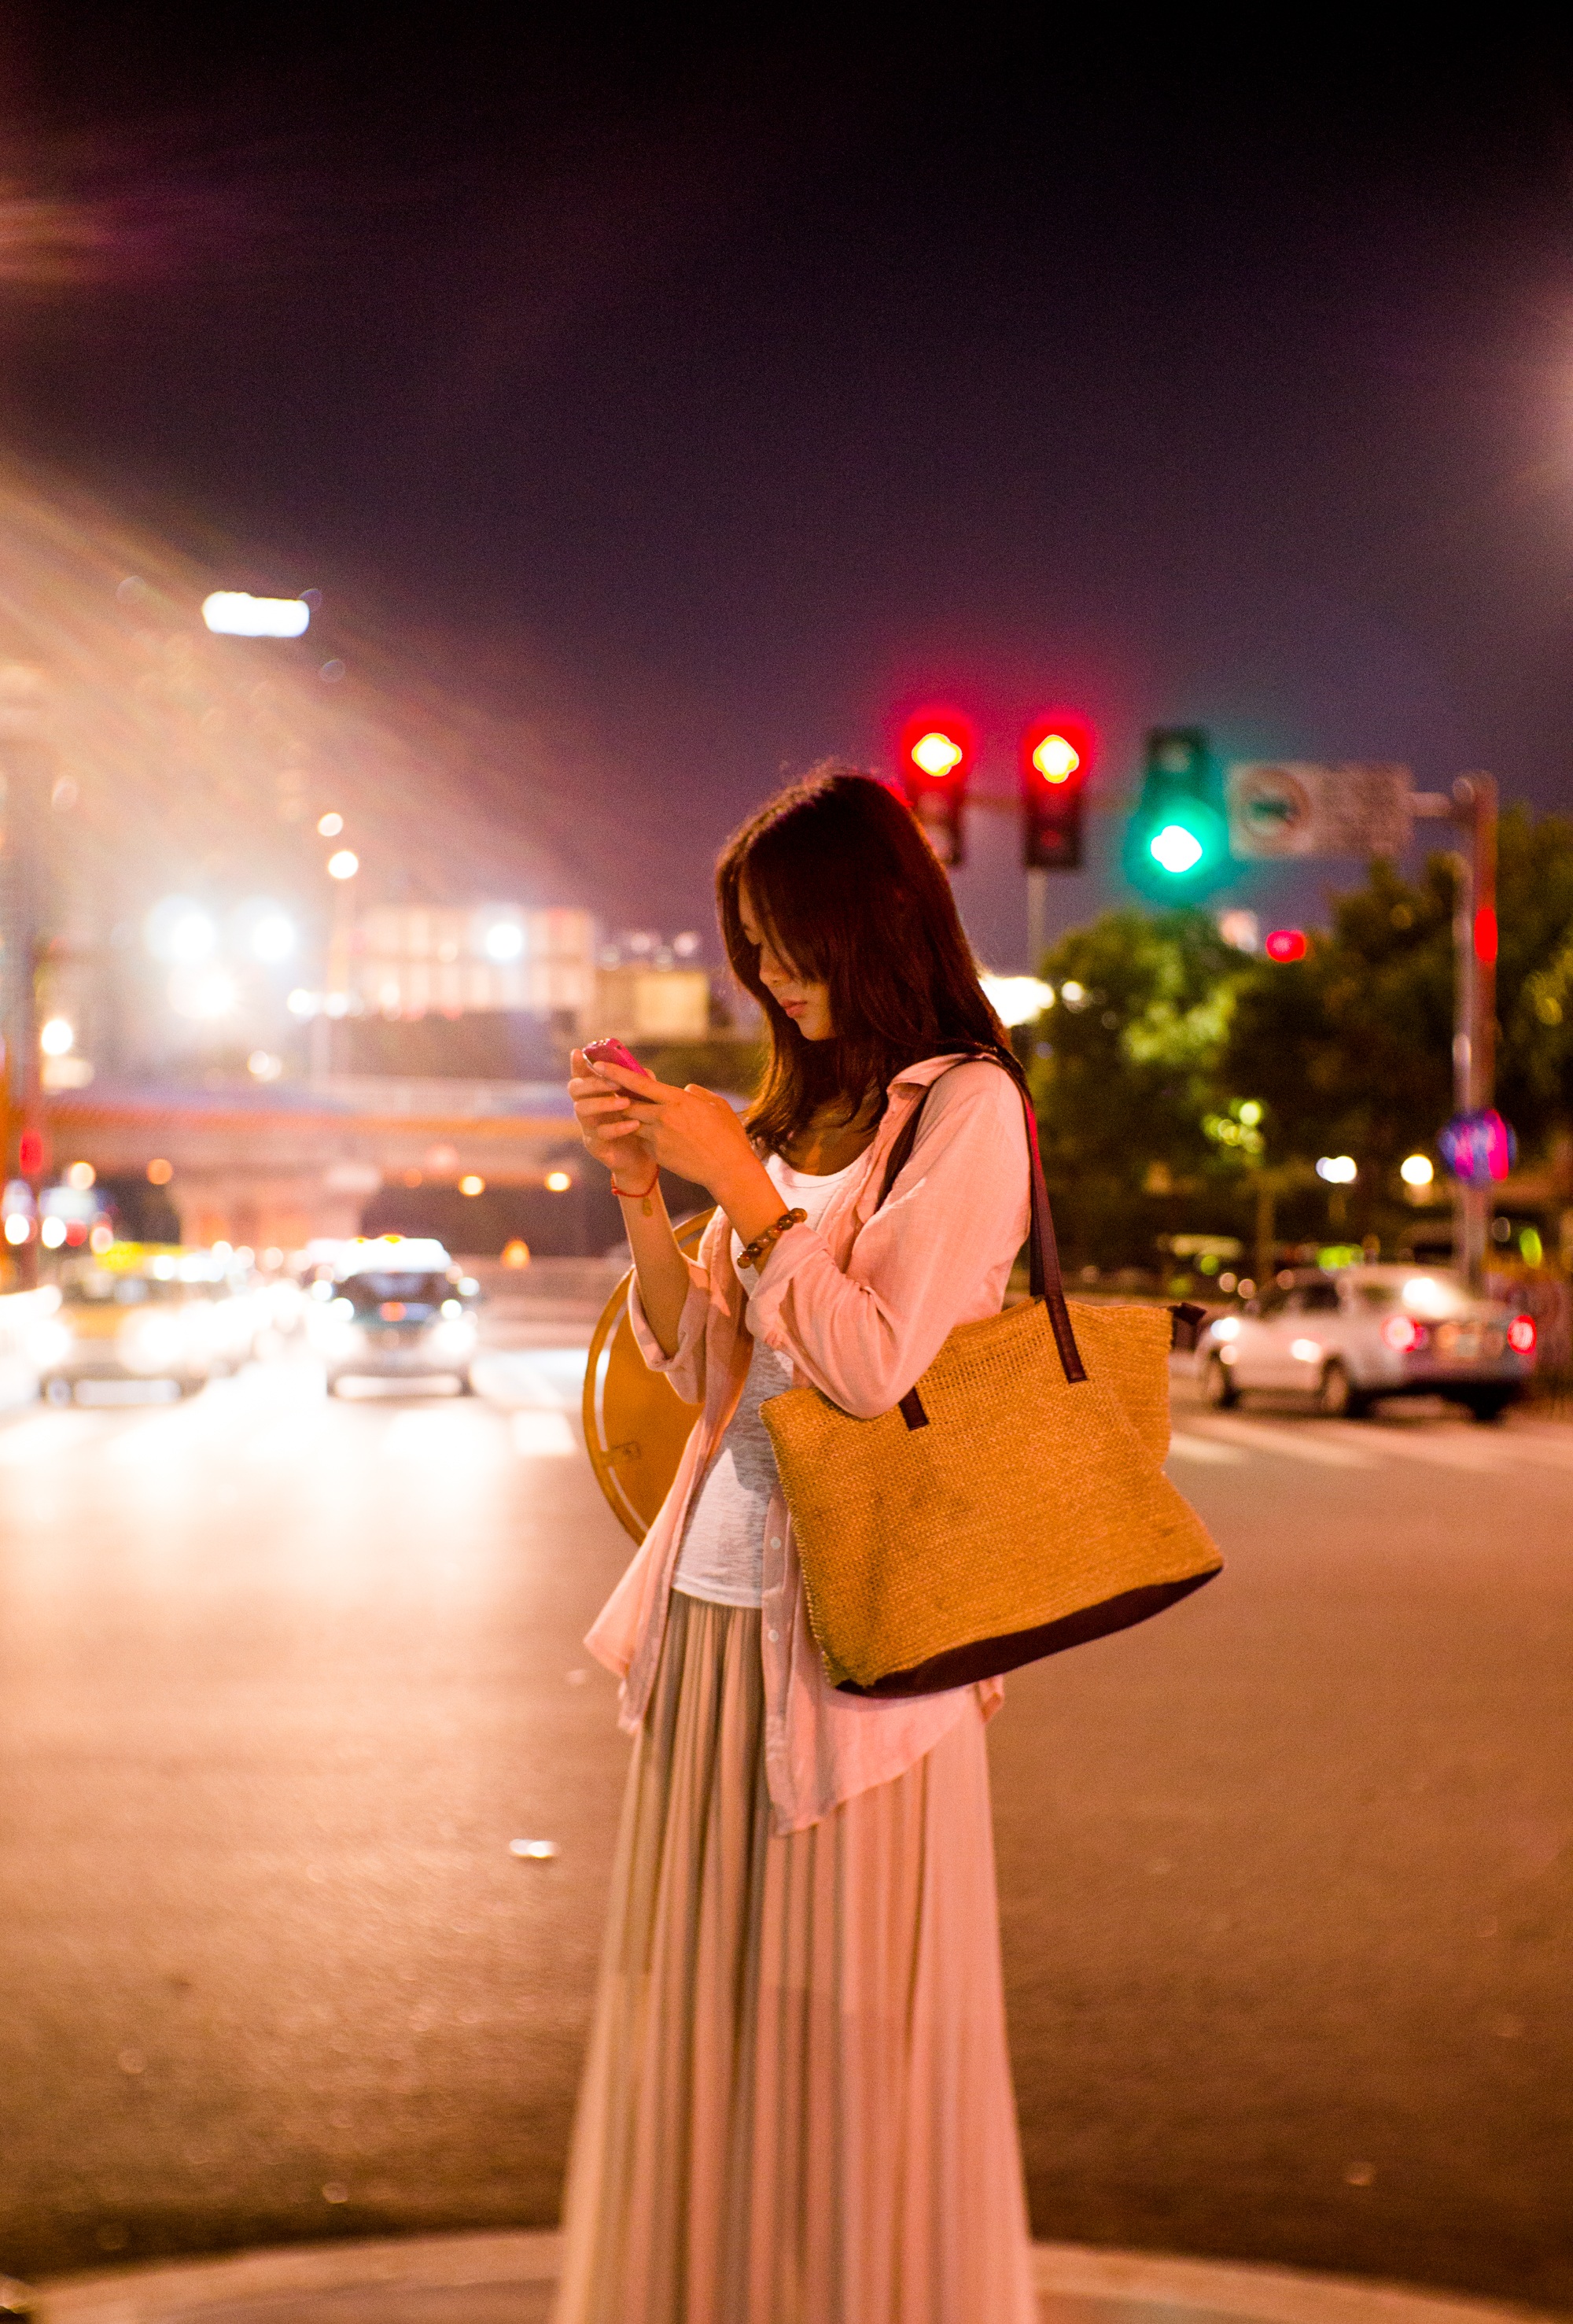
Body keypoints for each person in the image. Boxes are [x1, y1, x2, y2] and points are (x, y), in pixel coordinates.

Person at [557, 766, 1039, 2324]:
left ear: (877, 915)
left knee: (847, 2034)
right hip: (708, 1620)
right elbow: (704, 1381)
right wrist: (647, 1195)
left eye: (790, 939)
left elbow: (873, 1360)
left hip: (859, 1655)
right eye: (749, 947)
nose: (769, 976)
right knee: (697, 2018)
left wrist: (748, 1198)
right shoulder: (791, 1115)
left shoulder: (967, 1110)